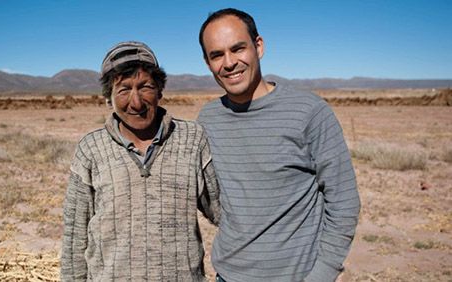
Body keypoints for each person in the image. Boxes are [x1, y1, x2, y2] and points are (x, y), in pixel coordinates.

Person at [197, 8, 360, 282]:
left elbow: (343, 201)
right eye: (217, 55)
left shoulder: (308, 111)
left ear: (258, 46)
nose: (229, 63)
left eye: (238, 49)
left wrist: (324, 273)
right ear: (207, 62)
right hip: (228, 276)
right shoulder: (208, 119)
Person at [61, 41, 220, 281]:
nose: (136, 102)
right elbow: (75, 238)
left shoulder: (193, 140)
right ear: (108, 98)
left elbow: (224, 212)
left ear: (160, 91)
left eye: (145, 87)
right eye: (123, 90)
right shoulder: (91, 149)